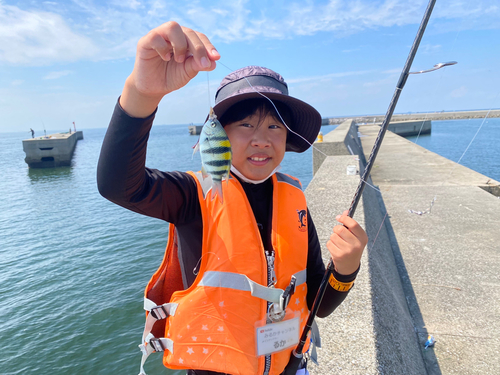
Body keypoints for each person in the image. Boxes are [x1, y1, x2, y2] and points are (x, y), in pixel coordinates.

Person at [97, 21, 367, 375]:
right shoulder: (193, 196)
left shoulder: (294, 201)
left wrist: (346, 269)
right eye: (246, 125)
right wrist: (142, 92)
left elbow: (319, 302)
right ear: (219, 134)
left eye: (274, 127)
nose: (261, 139)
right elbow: (118, 185)